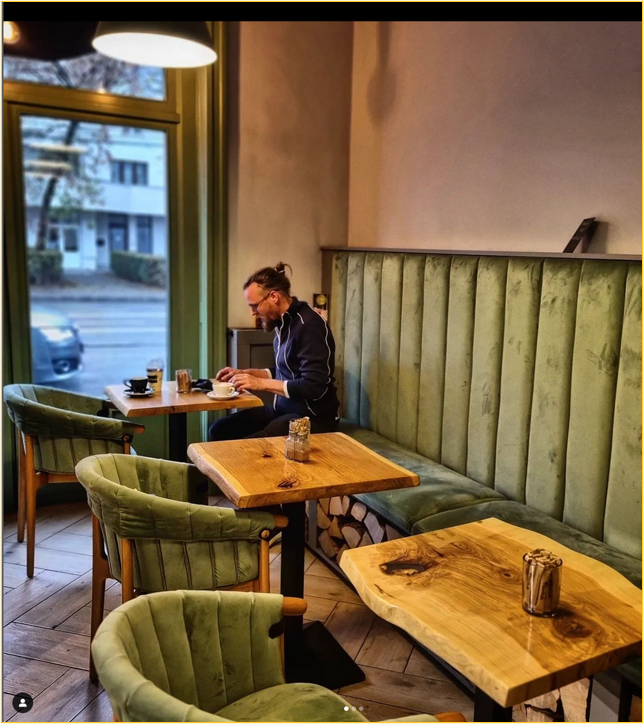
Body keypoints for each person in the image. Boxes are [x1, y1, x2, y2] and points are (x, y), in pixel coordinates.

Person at [208, 262, 340, 441]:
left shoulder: (309, 325)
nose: (253, 312)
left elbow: (313, 386)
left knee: (248, 447)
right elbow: (281, 371)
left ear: (274, 297)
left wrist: (259, 384)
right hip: (284, 411)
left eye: (255, 306)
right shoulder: (282, 323)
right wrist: (244, 374)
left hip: (313, 419)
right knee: (220, 430)